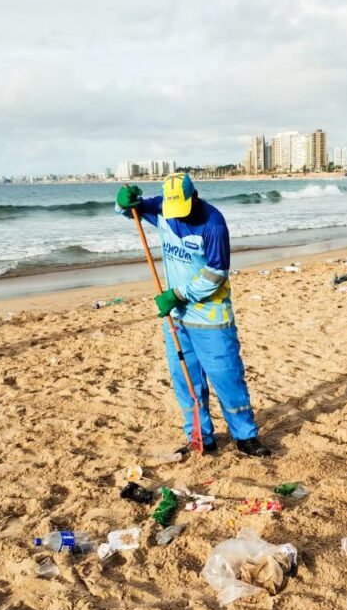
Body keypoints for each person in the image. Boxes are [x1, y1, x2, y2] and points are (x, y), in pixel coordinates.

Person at [115, 173, 272, 458]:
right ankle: (200, 437)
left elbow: (215, 275)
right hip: (176, 317)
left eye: (182, 209)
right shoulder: (163, 207)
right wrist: (123, 202)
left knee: (226, 376)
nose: (178, 216)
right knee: (186, 380)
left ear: (194, 196)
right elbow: (132, 211)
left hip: (211, 317)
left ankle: (245, 437)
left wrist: (177, 294)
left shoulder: (213, 223)